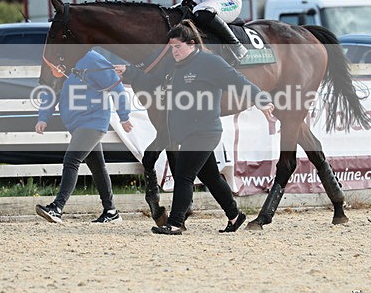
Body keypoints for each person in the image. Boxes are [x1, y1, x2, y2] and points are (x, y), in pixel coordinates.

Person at [117, 21, 274, 235]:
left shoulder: (210, 62)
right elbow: (152, 82)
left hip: (205, 131)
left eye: (178, 47)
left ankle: (175, 223)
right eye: (171, 48)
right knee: (211, 177)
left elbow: (238, 81)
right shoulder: (171, 65)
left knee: (183, 175)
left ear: (191, 44)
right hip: (185, 132)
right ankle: (235, 215)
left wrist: (260, 99)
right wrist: (129, 72)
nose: (174, 52)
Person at [35, 49, 133, 224]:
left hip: (93, 121)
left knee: (71, 160)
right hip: (78, 125)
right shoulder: (63, 62)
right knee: (98, 168)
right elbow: (52, 92)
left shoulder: (92, 59)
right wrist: (43, 117)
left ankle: (57, 207)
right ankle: (111, 211)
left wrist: (124, 116)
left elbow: (115, 84)